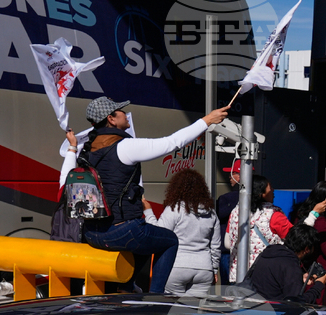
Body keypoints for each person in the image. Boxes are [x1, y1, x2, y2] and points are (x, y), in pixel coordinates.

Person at [60, 98, 229, 294]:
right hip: (120, 231)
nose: (126, 114)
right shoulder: (124, 146)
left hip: (91, 233)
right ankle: (155, 296)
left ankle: (126, 286)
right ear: (111, 119)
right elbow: (172, 143)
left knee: (146, 238)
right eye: (121, 111)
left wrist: (72, 147)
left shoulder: (86, 149)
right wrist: (206, 120)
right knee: (169, 240)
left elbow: (65, 181)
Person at [142, 169, 221, 296]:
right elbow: (215, 246)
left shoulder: (175, 209)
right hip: (204, 268)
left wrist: (148, 212)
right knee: (195, 312)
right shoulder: (211, 213)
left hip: (176, 266)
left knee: (173, 311)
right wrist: (214, 269)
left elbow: (158, 234)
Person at [224, 175, 292, 282]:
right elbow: (296, 239)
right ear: (261, 193)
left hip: (238, 275)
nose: (273, 191)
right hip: (266, 276)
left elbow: (227, 244)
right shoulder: (274, 214)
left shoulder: (235, 212)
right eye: (270, 188)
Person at [248, 224, 326, 303]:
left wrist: (300, 278)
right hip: (272, 313)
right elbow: (296, 304)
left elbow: (272, 283)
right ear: (307, 249)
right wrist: (319, 285)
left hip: (253, 307)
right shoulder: (291, 265)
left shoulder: (268, 254)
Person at [217, 159, 250, 284]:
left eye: (232, 173)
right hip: (251, 252)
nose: (229, 177)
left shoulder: (226, 199)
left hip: (228, 252)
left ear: (241, 175)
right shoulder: (258, 199)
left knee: (228, 291)